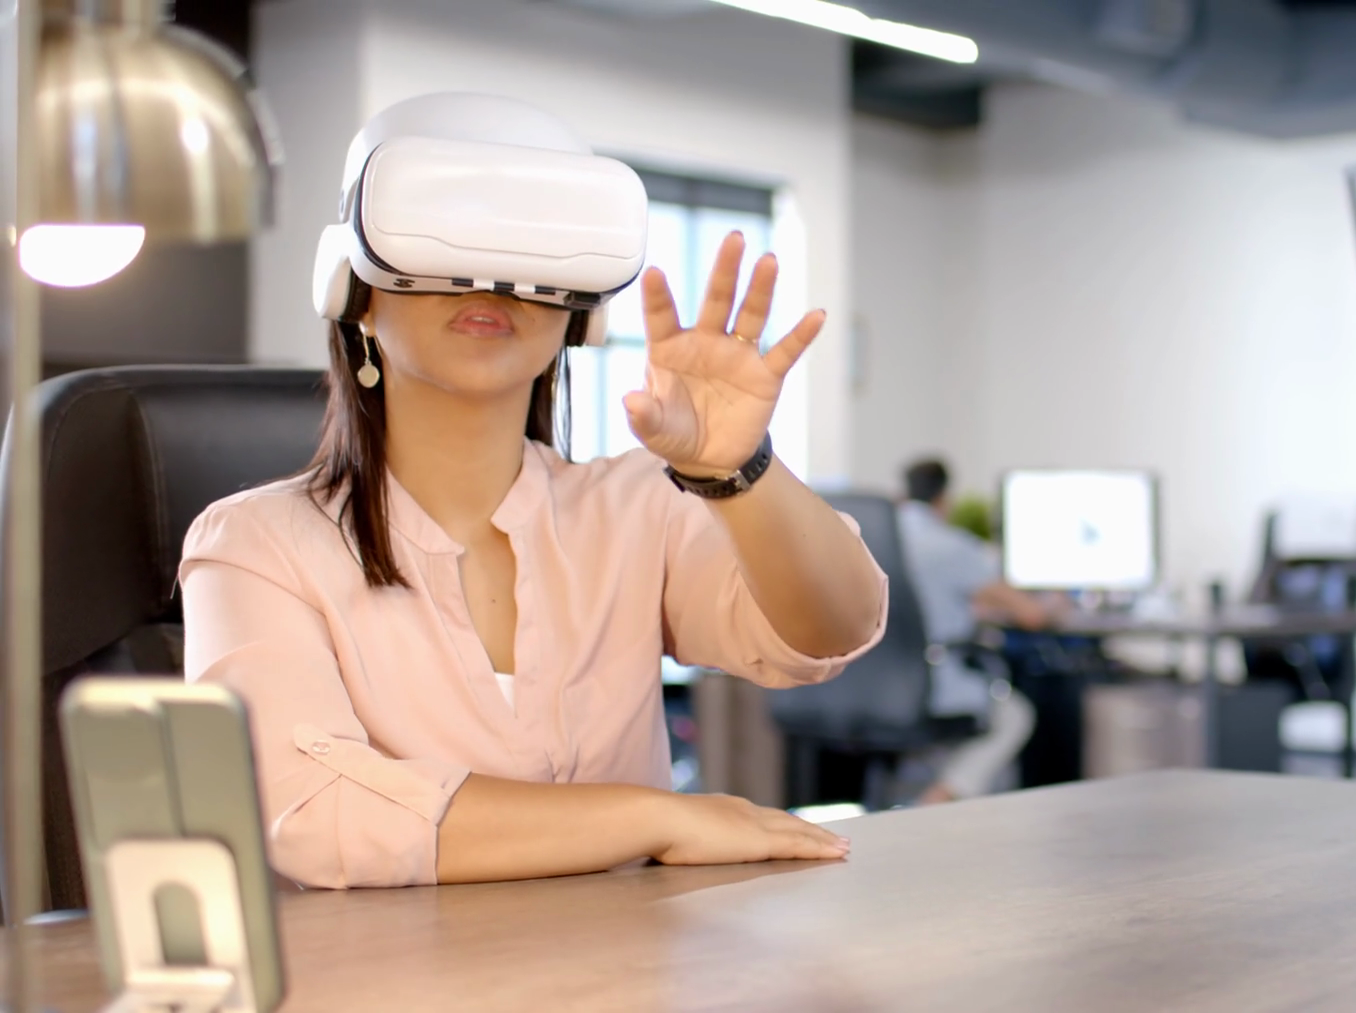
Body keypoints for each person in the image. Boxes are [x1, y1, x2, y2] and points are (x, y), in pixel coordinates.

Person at [180, 94, 887, 889]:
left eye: (533, 250)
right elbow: (313, 811)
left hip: (632, 956)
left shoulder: (638, 505)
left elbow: (831, 633)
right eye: (444, 233)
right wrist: (655, 817)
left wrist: (739, 469)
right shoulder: (255, 544)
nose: (492, 281)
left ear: (579, 314)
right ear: (355, 291)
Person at [895, 459, 1047, 804]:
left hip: (874, 687)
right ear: (944, 500)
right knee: (1016, 715)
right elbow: (1031, 615)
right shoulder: (950, 545)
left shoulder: (874, 539)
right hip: (933, 682)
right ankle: (941, 795)